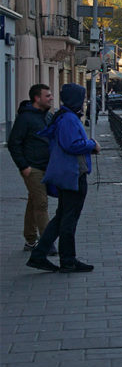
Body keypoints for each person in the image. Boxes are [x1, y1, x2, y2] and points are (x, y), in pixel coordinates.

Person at [26, 84, 99, 274]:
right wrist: (92, 145)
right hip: (72, 174)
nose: (84, 103)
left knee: (61, 218)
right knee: (69, 219)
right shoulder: (68, 119)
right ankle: (68, 260)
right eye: (82, 99)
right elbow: (72, 145)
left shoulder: (65, 116)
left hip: (67, 174)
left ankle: (39, 254)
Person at [8, 84, 54, 253]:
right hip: (32, 168)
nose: (51, 98)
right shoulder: (25, 118)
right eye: (47, 96)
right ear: (37, 98)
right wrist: (23, 166)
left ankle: (29, 240)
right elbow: (14, 143)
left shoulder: (47, 116)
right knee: (41, 204)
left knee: (34, 201)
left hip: (46, 166)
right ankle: (46, 243)